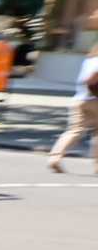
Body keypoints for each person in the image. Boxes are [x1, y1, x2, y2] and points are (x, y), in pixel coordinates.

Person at [47, 38, 98, 173]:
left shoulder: (88, 60)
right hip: (95, 100)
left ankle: (55, 157)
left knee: (74, 130)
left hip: (79, 99)